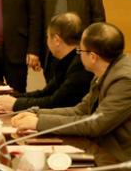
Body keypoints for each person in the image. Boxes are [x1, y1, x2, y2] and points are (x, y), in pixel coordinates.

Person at [12, 22, 131, 162]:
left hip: (118, 158)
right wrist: (37, 114)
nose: (78, 56)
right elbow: (80, 110)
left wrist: (39, 123)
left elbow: (96, 124)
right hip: (100, 148)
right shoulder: (105, 70)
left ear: (93, 57)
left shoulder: (124, 80)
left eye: (80, 51)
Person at [0, 12, 92, 112]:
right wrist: (12, 97)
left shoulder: (79, 64)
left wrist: (16, 104)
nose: (47, 41)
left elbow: (55, 103)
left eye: (47, 37)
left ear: (57, 40)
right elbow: (46, 93)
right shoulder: (68, 59)